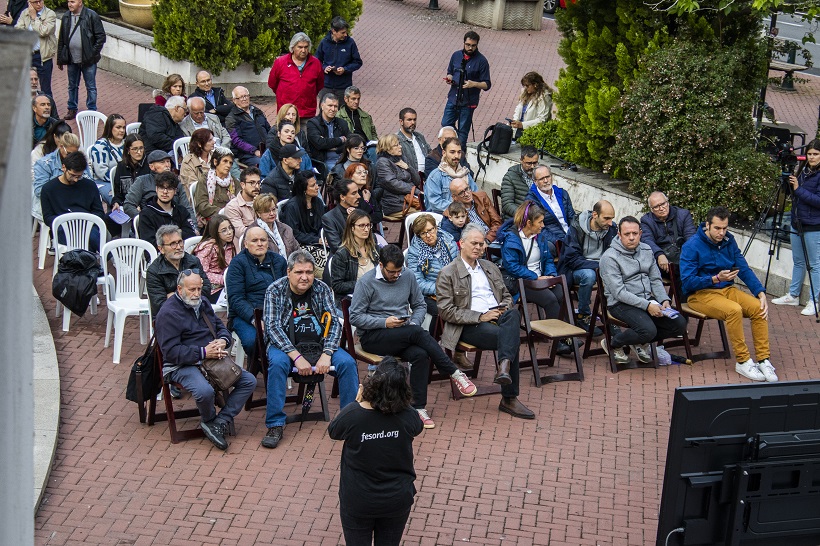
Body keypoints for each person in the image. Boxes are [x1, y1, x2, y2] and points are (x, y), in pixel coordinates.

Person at [349, 244, 477, 429]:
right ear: (381, 265)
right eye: (392, 272)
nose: (396, 276)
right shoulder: (366, 282)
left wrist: (413, 323)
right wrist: (385, 322)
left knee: (420, 355)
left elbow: (419, 305)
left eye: (399, 271)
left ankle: (418, 408)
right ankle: (454, 373)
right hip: (373, 337)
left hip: (403, 333)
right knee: (417, 333)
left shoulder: (407, 276)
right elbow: (355, 317)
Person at [261, 249, 359, 448]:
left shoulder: (322, 288)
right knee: (278, 364)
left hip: (319, 344)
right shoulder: (275, 290)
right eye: (299, 272)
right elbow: (272, 327)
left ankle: (350, 422)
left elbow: (333, 324)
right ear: (288, 272)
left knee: (348, 363)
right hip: (285, 346)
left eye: (309, 272)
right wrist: (296, 357)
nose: (305, 277)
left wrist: (327, 354)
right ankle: (275, 424)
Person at [437, 224, 535, 419]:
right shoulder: (448, 273)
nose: (479, 248)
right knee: (509, 337)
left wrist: (501, 310)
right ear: (461, 244)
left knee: (514, 315)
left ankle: (504, 368)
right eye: (474, 243)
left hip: (498, 317)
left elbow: (506, 296)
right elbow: (446, 311)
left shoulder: (489, 267)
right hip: (468, 324)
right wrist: (480, 316)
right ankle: (509, 397)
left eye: (482, 244)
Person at [154, 270, 257, 451]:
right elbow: (170, 352)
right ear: (180, 289)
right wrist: (203, 352)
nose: (196, 294)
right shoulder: (168, 313)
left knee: (249, 381)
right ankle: (209, 420)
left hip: (210, 359)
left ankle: (219, 421)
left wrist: (223, 341)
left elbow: (219, 327)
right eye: (191, 290)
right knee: (204, 392)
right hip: (181, 364)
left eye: (199, 289)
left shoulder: (203, 304)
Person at [327, 357, 422, 546]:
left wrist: (357, 401)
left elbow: (334, 431)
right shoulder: (408, 415)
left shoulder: (354, 415)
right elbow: (416, 427)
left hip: (359, 499)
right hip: (397, 498)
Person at [680, 206, 778, 382]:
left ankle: (763, 360)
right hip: (700, 294)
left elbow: (743, 268)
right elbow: (687, 282)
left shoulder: (729, 241)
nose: (721, 232)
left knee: (758, 307)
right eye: (717, 228)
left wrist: (761, 292)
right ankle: (743, 361)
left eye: (725, 228)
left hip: (728, 290)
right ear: (707, 225)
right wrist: (715, 278)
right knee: (734, 310)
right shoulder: (692, 246)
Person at [599, 216, 688, 364]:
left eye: (635, 233)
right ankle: (614, 342)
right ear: (619, 235)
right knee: (648, 330)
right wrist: (647, 306)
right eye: (627, 234)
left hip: (647, 299)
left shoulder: (647, 250)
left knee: (679, 324)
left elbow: (655, 279)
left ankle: (638, 341)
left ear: (640, 233)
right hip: (620, 303)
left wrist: (664, 299)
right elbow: (619, 293)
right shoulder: (609, 258)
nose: (632, 238)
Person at [497, 201, 572, 354]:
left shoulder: (539, 237)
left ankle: (565, 335)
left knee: (561, 293)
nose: (543, 225)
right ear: (529, 223)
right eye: (540, 222)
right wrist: (535, 278)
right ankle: (559, 341)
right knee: (550, 299)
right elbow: (512, 267)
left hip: (541, 278)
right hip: (522, 281)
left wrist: (550, 276)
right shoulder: (511, 239)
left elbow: (548, 259)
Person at [772, 141, 820, 316]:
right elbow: (794, 195)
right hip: (796, 221)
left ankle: (814, 301)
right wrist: (788, 183)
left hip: (814, 225)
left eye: (816, 154)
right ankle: (793, 295)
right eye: (809, 154)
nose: (812, 157)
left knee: (814, 265)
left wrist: (798, 189)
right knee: (798, 261)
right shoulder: (803, 171)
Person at [225, 226, 287, 358]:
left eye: (263, 240)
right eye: (254, 240)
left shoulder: (279, 261)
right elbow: (236, 299)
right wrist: (255, 320)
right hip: (246, 316)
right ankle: (259, 368)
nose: (259, 244)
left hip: (276, 314)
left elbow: (287, 291)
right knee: (254, 341)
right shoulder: (237, 264)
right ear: (246, 244)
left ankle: (280, 367)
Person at [556, 200, 616, 333]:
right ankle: (583, 315)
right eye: (606, 218)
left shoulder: (612, 229)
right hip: (576, 269)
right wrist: (599, 265)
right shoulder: (576, 228)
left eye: (612, 218)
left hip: (601, 268)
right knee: (589, 275)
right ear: (595, 214)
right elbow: (572, 260)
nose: (610, 223)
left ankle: (611, 317)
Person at [405, 213, 460, 342]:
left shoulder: (449, 242)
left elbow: (459, 267)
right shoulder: (415, 252)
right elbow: (417, 282)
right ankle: (431, 346)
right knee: (441, 311)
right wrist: (440, 288)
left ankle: (458, 351)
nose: (429, 235)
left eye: (430, 230)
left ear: (436, 228)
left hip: (452, 289)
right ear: (418, 235)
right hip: (427, 294)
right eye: (423, 233)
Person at [40, 151, 109, 251]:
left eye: (79, 176)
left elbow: (99, 212)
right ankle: (111, 258)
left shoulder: (89, 186)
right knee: (90, 239)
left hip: (87, 226)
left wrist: (85, 221)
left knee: (90, 235)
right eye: (73, 175)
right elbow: (47, 217)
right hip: (63, 228)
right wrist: (69, 221)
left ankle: (96, 259)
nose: (76, 180)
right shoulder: (48, 189)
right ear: (64, 168)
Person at [147, 225, 211, 317]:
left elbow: (206, 289)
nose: (179, 247)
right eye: (173, 244)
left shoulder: (193, 262)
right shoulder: (154, 271)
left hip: (196, 314)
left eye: (180, 242)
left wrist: (174, 295)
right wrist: (191, 294)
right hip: (170, 319)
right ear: (161, 249)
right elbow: (160, 305)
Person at [56, 0, 105, 120]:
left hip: (88, 60)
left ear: (80, 2)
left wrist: (91, 54)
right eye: (68, 1)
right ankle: (72, 108)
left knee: (91, 86)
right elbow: (62, 38)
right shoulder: (66, 16)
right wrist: (60, 59)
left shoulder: (91, 15)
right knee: (72, 85)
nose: (69, 4)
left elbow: (101, 37)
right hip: (72, 58)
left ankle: (92, 110)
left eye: (72, 1)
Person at [441, 31, 491, 146]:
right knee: (446, 123)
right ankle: (451, 146)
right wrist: (449, 78)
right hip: (453, 97)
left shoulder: (482, 61)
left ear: (477, 45)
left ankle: (460, 153)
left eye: (473, 45)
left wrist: (474, 84)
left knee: (463, 130)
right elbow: (450, 72)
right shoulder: (456, 55)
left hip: (469, 101)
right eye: (468, 45)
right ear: (464, 43)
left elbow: (487, 84)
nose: (470, 48)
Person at [124, 149, 196, 224]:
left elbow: (187, 209)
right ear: (151, 167)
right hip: (152, 225)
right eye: (162, 162)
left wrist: (194, 227)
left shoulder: (176, 183)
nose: (167, 165)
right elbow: (128, 205)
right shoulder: (142, 181)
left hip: (175, 223)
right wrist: (144, 219)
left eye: (168, 161)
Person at [32, 132, 90, 221]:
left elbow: (89, 181)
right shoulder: (44, 164)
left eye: (75, 154)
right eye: (69, 153)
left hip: (75, 202)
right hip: (52, 205)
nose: (72, 157)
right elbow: (39, 190)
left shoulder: (79, 161)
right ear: (61, 146)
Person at [268, 32, 324, 119]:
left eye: (306, 47)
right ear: (293, 47)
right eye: (300, 47)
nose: (303, 50)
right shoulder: (280, 62)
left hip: (307, 113)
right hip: (286, 112)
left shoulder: (316, 63)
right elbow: (272, 83)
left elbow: (319, 85)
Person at [639, 191, 697, 274]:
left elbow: (690, 236)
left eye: (663, 204)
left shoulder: (683, 214)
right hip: (662, 258)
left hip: (683, 254)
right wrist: (659, 254)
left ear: (668, 202)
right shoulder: (646, 221)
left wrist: (686, 256)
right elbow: (647, 240)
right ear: (651, 209)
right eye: (656, 207)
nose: (661, 208)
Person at [331, 210, 379, 306]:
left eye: (368, 225)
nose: (366, 229)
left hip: (376, 296)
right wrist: (363, 284)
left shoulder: (375, 249)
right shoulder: (342, 254)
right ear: (352, 228)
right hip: (353, 300)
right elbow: (337, 285)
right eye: (361, 226)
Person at [137, 171, 197, 247]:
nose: (165, 192)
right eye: (161, 188)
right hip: (159, 256)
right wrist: (178, 233)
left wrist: (165, 237)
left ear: (175, 191)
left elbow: (190, 235)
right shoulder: (146, 214)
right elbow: (149, 243)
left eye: (169, 188)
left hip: (183, 252)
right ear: (156, 189)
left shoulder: (182, 211)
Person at [280, 171, 328, 264]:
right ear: (303, 190)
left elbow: (322, 225)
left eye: (316, 184)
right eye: (313, 185)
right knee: (326, 261)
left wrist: (323, 239)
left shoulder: (318, 202)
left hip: (319, 243)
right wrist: (317, 240)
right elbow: (294, 233)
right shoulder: (292, 207)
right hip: (301, 246)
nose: (317, 187)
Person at [425, 136, 478, 214]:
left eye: (459, 152)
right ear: (444, 153)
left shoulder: (465, 172)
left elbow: (475, 194)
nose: (456, 156)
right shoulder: (435, 176)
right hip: (444, 217)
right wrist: (461, 208)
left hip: (468, 215)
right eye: (452, 152)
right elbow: (435, 203)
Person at [315, 17, 363, 101]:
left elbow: (357, 62)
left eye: (346, 32)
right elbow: (316, 61)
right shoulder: (324, 42)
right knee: (325, 112)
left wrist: (345, 69)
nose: (345, 35)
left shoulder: (350, 43)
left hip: (343, 87)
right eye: (342, 33)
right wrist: (324, 67)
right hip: (326, 86)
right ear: (333, 31)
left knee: (342, 113)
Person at [525, 165, 575, 245]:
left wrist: (575, 236)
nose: (546, 180)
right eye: (541, 179)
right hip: (554, 240)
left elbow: (572, 217)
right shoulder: (532, 200)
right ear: (535, 181)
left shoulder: (562, 193)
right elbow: (539, 228)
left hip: (570, 235)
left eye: (548, 177)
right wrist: (560, 242)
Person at [192, 214, 236, 304]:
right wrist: (223, 279)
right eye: (224, 230)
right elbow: (202, 272)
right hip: (212, 289)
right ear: (215, 232)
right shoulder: (208, 248)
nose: (229, 232)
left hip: (227, 285)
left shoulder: (229, 245)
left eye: (230, 228)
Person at [375, 133, 421, 217]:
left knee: (430, 209)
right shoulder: (382, 162)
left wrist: (408, 168)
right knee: (423, 214)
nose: (400, 147)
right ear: (387, 149)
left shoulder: (402, 158)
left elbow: (417, 181)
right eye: (396, 145)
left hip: (410, 199)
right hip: (395, 204)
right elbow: (393, 183)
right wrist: (414, 190)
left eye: (399, 144)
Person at [225, 86, 270, 167]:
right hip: (248, 154)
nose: (244, 99)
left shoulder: (257, 111)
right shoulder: (231, 118)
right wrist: (254, 151)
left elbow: (268, 129)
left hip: (267, 149)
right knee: (264, 164)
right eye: (241, 97)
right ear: (234, 100)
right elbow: (236, 141)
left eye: (246, 96)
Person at [306, 93, 350, 176]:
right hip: (324, 163)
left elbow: (351, 141)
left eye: (335, 106)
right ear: (322, 106)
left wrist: (336, 148)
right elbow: (320, 143)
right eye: (330, 105)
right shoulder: (313, 123)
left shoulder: (342, 123)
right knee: (341, 174)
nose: (333, 109)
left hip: (342, 160)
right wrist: (341, 139)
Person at [447, 177, 502, 242]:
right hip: (476, 244)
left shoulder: (482, 197)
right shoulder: (452, 212)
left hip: (494, 236)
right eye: (461, 193)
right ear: (454, 197)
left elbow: (497, 222)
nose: (467, 194)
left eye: (467, 189)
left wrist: (488, 240)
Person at [88, 113, 125, 205]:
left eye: (124, 127)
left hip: (125, 180)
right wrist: (120, 183)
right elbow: (101, 173)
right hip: (104, 181)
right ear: (110, 128)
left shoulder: (127, 144)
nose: (122, 130)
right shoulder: (100, 146)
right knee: (116, 200)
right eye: (118, 127)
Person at [194, 147, 236, 222]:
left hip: (233, 218)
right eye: (225, 161)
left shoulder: (234, 181)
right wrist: (222, 212)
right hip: (213, 220)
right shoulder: (204, 180)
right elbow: (202, 205)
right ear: (215, 162)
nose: (228, 165)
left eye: (230, 163)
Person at [337, 87, 377, 163]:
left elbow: (373, 133)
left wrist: (375, 142)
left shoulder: (366, 116)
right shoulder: (339, 117)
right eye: (353, 99)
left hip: (368, 146)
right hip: (352, 149)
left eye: (358, 99)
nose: (356, 101)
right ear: (346, 99)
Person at [111, 134, 149, 215]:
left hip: (145, 205)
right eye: (135, 149)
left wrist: (141, 205)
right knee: (109, 218)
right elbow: (118, 192)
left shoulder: (149, 165)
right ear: (128, 150)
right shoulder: (121, 166)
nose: (139, 152)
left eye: (141, 148)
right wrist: (116, 202)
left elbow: (151, 192)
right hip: (126, 205)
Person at [224, 167, 261, 246]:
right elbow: (242, 233)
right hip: (246, 248)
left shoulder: (262, 202)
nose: (257, 187)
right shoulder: (232, 207)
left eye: (258, 183)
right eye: (252, 183)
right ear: (242, 185)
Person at [322, 178, 361, 255]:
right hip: (343, 260)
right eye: (354, 193)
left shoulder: (359, 212)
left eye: (358, 192)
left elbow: (371, 237)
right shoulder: (329, 218)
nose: (359, 196)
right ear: (342, 197)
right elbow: (336, 246)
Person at [253, 193, 299, 257]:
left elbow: (297, 252)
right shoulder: (252, 233)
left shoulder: (286, 229)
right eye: (267, 211)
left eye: (274, 209)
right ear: (258, 213)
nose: (272, 213)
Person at [509, 72, 553, 139]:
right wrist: (515, 121)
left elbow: (542, 120)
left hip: (532, 133)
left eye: (527, 86)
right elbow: (518, 109)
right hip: (518, 130)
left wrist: (522, 125)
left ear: (535, 85)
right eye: (524, 86)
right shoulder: (525, 93)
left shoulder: (545, 97)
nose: (525, 88)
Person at [500, 146, 540, 219]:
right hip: (516, 219)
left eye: (535, 163)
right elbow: (507, 204)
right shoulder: (510, 176)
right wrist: (525, 215)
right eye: (529, 163)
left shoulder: (541, 173)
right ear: (521, 160)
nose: (532, 166)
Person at [178, 128, 213, 199]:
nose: (214, 142)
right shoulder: (188, 162)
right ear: (199, 144)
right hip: (199, 199)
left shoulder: (216, 156)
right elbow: (194, 187)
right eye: (210, 140)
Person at [345, 161, 382, 226]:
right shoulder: (348, 193)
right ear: (350, 177)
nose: (363, 175)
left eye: (365, 172)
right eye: (359, 173)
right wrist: (366, 201)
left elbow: (379, 216)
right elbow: (357, 218)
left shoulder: (368, 191)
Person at [396, 107, 431, 174]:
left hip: (427, 175)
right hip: (411, 178)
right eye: (409, 120)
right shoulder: (396, 140)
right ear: (401, 122)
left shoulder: (420, 136)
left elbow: (430, 153)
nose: (413, 122)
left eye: (414, 120)